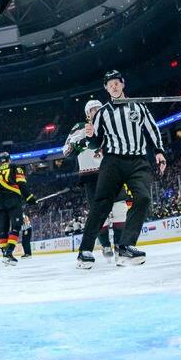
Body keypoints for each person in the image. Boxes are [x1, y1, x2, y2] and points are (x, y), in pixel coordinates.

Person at [76, 71, 166, 268]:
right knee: (102, 204)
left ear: (122, 85)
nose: (114, 86)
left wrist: (158, 151)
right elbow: (95, 144)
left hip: (138, 161)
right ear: (106, 89)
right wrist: (90, 137)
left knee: (143, 198)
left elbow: (152, 129)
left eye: (117, 83)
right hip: (112, 162)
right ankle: (85, 251)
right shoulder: (102, 113)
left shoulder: (139, 106)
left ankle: (125, 246)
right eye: (110, 84)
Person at [62, 99, 116, 257]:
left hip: (110, 171)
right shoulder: (79, 127)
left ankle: (121, 244)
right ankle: (106, 245)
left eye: (99, 108)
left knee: (119, 208)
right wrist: (76, 144)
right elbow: (65, 150)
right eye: (93, 109)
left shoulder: (109, 125)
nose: (96, 111)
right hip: (90, 176)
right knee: (97, 211)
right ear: (87, 113)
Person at [0, 151, 36, 265]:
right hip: (13, 199)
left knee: (3, 231)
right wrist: (30, 198)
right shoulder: (15, 167)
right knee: (16, 227)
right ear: (9, 159)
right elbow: (21, 184)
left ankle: (5, 255)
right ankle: (9, 253)